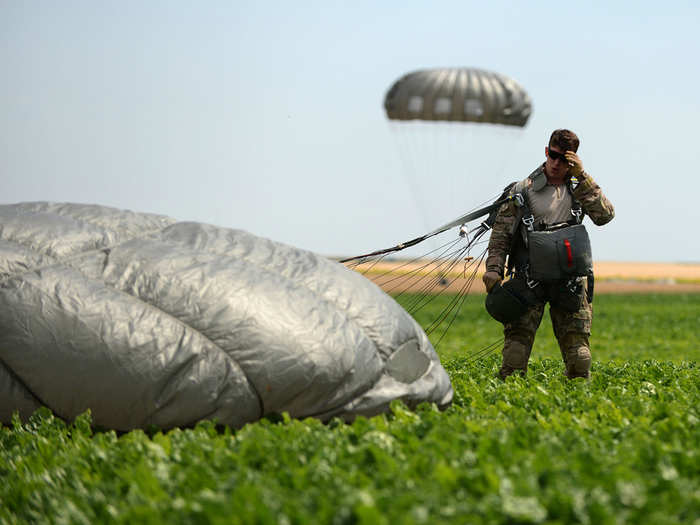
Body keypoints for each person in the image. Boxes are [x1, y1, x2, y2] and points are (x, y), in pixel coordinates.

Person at [482, 129, 615, 379]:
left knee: (580, 359)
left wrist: (582, 176)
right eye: (553, 156)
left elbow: (605, 215)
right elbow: (502, 233)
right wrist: (494, 268)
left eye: (564, 159)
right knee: (514, 356)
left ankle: (576, 409)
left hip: (570, 283)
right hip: (528, 280)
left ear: (573, 160)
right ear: (546, 152)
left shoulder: (580, 188)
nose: (556, 163)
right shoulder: (522, 190)